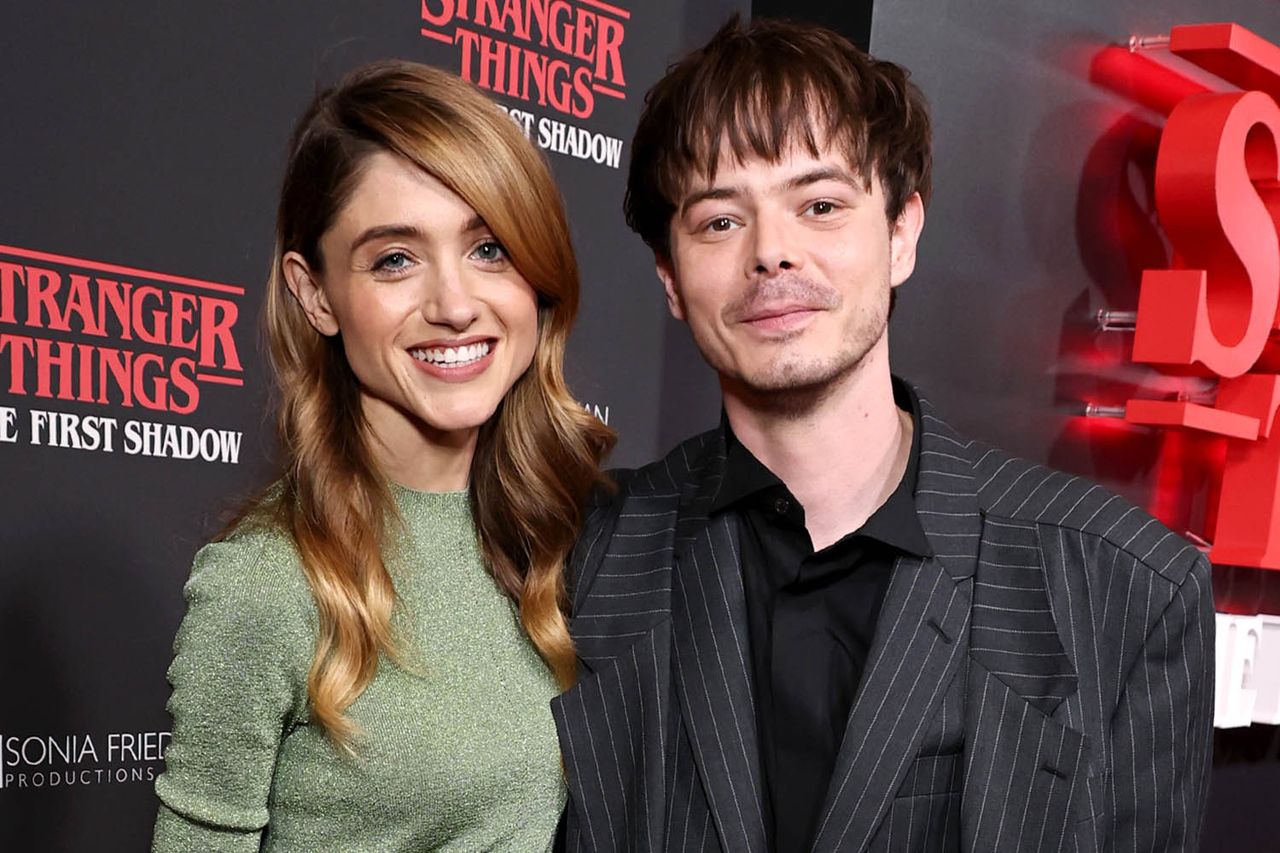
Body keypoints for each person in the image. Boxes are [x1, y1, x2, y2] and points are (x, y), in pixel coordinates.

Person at [552, 17, 1213, 853]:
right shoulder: (583, 558)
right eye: (720, 221)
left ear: (901, 231)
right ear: (671, 280)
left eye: (820, 205)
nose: (773, 253)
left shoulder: (1128, 587)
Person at [152, 60, 613, 852]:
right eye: (395, 258)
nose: (455, 304)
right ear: (316, 293)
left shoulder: (572, 541)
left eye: (490, 248)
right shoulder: (271, 580)